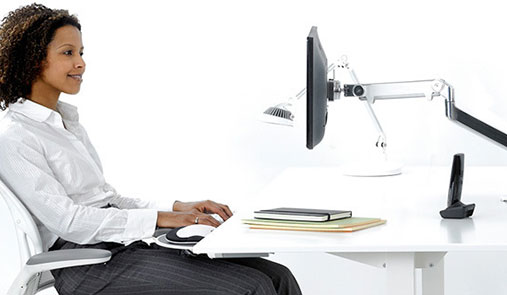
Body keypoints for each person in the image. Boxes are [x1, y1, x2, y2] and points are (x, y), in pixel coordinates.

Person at [0, 4, 302, 295]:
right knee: (252, 288)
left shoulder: (67, 122)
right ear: (34, 59)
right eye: (68, 53)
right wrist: (160, 219)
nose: (81, 63)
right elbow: (70, 222)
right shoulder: (16, 136)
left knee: (277, 276)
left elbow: (108, 199)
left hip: (123, 243)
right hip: (87, 264)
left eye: (80, 53)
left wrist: (177, 207)